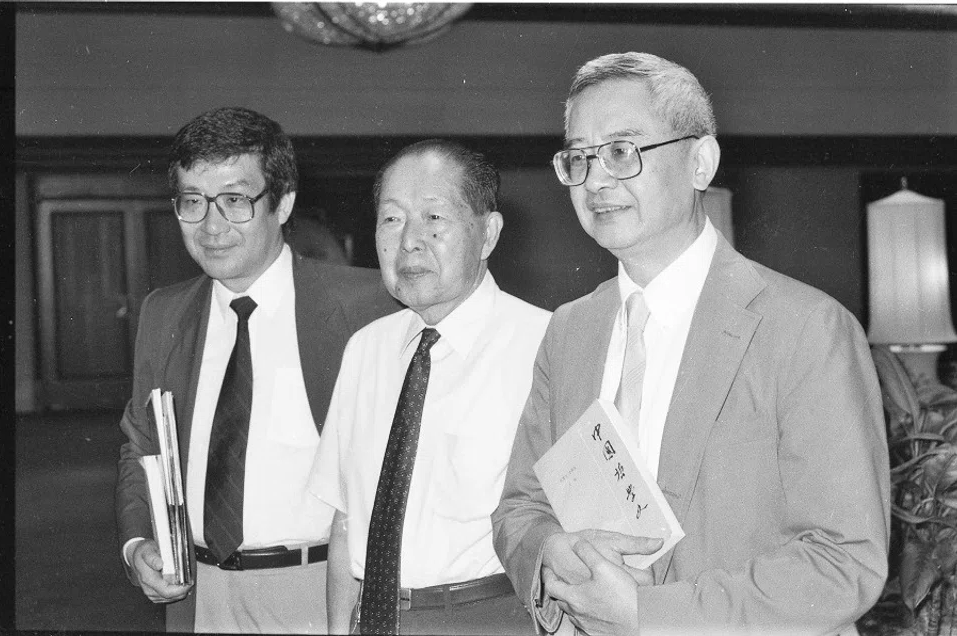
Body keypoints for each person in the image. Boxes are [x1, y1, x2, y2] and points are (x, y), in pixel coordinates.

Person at [492, 52, 890, 635]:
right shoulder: (571, 330)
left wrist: (647, 614)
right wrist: (551, 550)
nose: (596, 179)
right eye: (578, 157)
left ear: (700, 161)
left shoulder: (804, 329)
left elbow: (845, 560)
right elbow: (520, 508)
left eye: (622, 151)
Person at [115, 106, 400, 634]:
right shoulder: (163, 313)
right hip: (197, 595)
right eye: (193, 202)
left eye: (235, 201)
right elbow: (142, 445)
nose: (212, 226)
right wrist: (137, 544)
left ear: (283, 202)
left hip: (323, 590)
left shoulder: (369, 306)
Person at [309, 139, 551, 635]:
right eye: (392, 220)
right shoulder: (366, 350)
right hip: (370, 620)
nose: (409, 241)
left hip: (491, 617)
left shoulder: (546, 344)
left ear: (488, 234)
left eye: (434, 219)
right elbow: (344, 521)